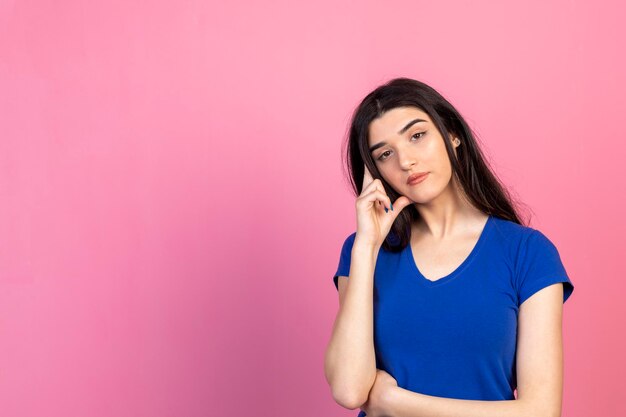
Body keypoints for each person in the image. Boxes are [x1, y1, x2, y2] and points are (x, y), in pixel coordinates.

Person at [323, 78, 574, 417]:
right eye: (385, 154)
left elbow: (541, 412)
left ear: (452, 134)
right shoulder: (362, 252)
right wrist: (366, 248)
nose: (406, 161)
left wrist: (394, 403)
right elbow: (349, 388)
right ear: (375, 172)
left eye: (417, 136)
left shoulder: (527, 253)